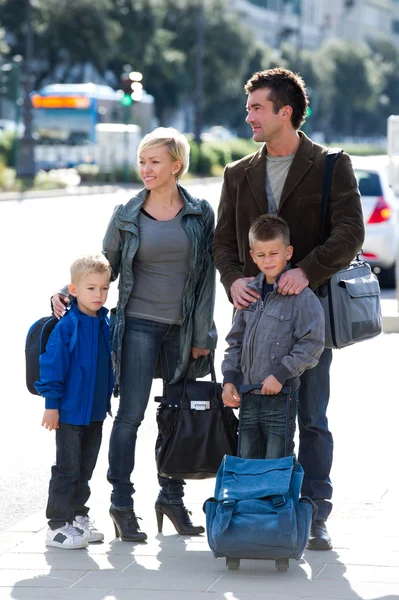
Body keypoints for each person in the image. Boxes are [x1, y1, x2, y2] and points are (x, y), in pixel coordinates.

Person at [212, 67, 365, 550]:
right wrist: (234, 279)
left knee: (312, 418)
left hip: (307, 315)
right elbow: (222, 242)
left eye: (257, 107)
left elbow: (349, 232)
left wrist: (309, 271)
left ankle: (314, 512)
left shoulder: (329, 165)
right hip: (254, 318)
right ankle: (257, 507)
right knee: (256, 415)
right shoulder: (238, 173)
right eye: (249, 106)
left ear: (286, 112)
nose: (249, 115)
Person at [52, 128, 217, 542]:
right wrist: (66, 292)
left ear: (176, 165)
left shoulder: (199, 213)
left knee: (177, 416)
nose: (145, 168)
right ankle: (122, 504)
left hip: (183, 329)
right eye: (142, 161)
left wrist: (202, 332)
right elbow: (102, 268)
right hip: (138, 324)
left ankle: (171, 498)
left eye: (155, 161)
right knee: (131, 415)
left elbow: (204, 282)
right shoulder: (126, 213)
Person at [222, 214, 325, 462]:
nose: (267, 260)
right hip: (247, 395)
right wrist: (229, 379)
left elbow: (313, 343)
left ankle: (279, 502)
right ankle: (250, 503)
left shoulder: (301, 297)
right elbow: (235, 341)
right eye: (261, 255)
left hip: (281, 397)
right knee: (246, 459)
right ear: (252, 256)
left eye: (274, 253)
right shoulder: (249, 294)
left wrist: (280, 375)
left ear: (288, 252)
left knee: (277, 460)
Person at [35, 254, 113, 549]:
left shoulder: (104, 323)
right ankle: (57, 525)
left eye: (103, 289)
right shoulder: (67, 326)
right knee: (67, 469)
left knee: (85, 469)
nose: (98, 295)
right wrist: (51, 405)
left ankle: (78, 516)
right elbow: (52, 366)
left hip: (94, 413)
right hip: (68, 412)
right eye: (91, 288)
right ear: (74, 290)